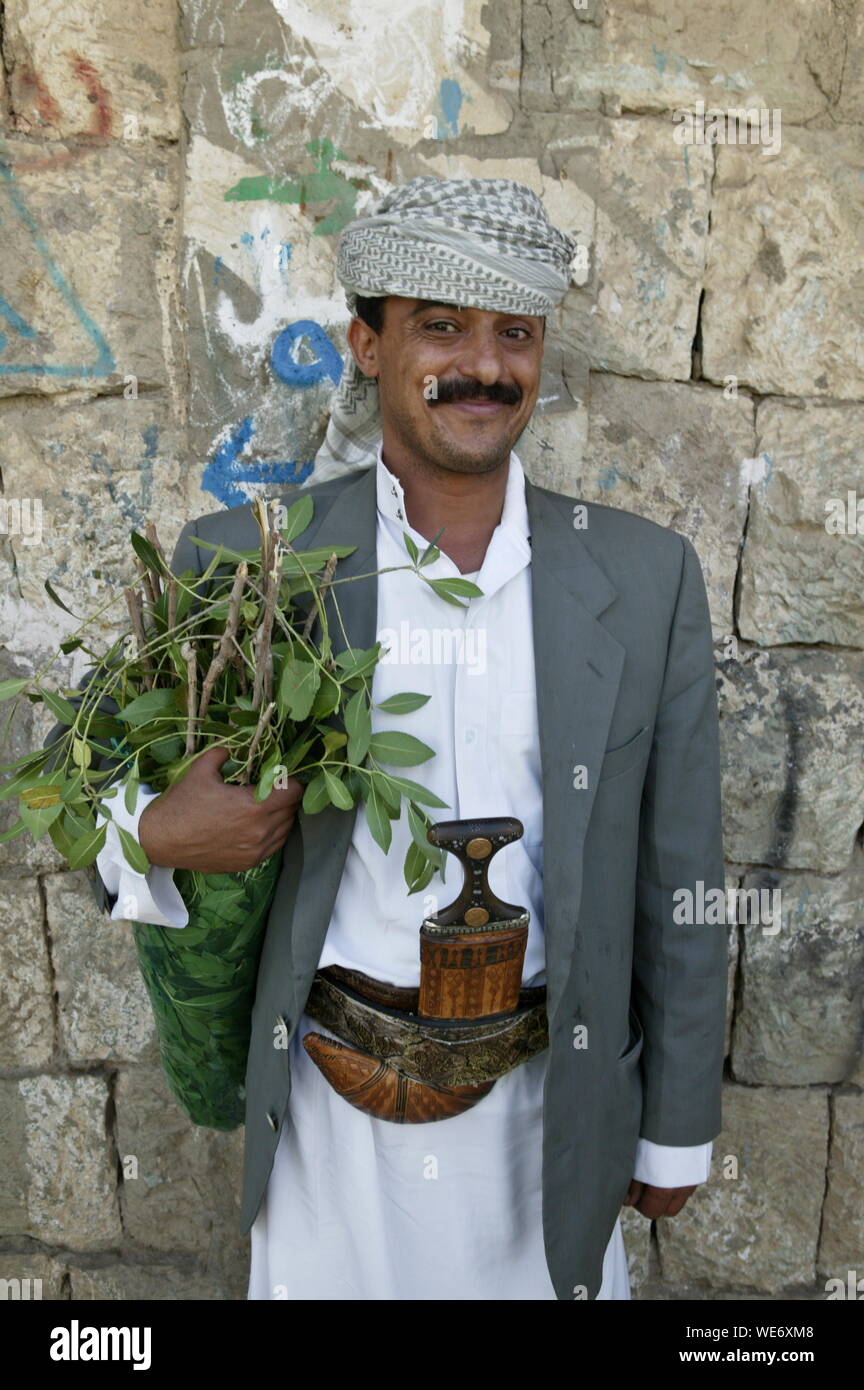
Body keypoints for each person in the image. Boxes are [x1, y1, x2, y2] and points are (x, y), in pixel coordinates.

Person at [69, 177, 727, 1299]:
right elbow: (96, 817)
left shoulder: (643, 575)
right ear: (364, 345)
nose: (484, 364)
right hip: (336, 1132)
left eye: (514, 333)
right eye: (441, 327)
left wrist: (673, 1125)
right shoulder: (244, 568)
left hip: (549, 1118)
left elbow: (680, 874)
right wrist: (160, 834)